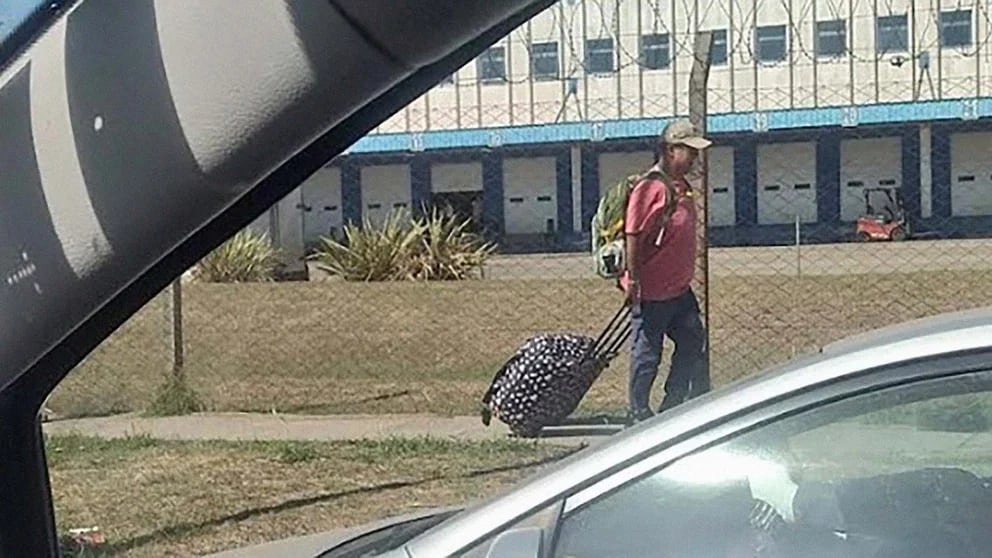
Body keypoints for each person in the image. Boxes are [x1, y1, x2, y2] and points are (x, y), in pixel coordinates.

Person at [620, 118, 712, 422]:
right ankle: (638, 411)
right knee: (648, 352)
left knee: (692, 340)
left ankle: (674, 403)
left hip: (678, 289)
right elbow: (633, 234)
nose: (695, 158)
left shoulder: (680, 186)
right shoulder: (651, 187)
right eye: (690, 151)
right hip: (653, 290)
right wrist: (633, 280)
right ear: (671, 150)